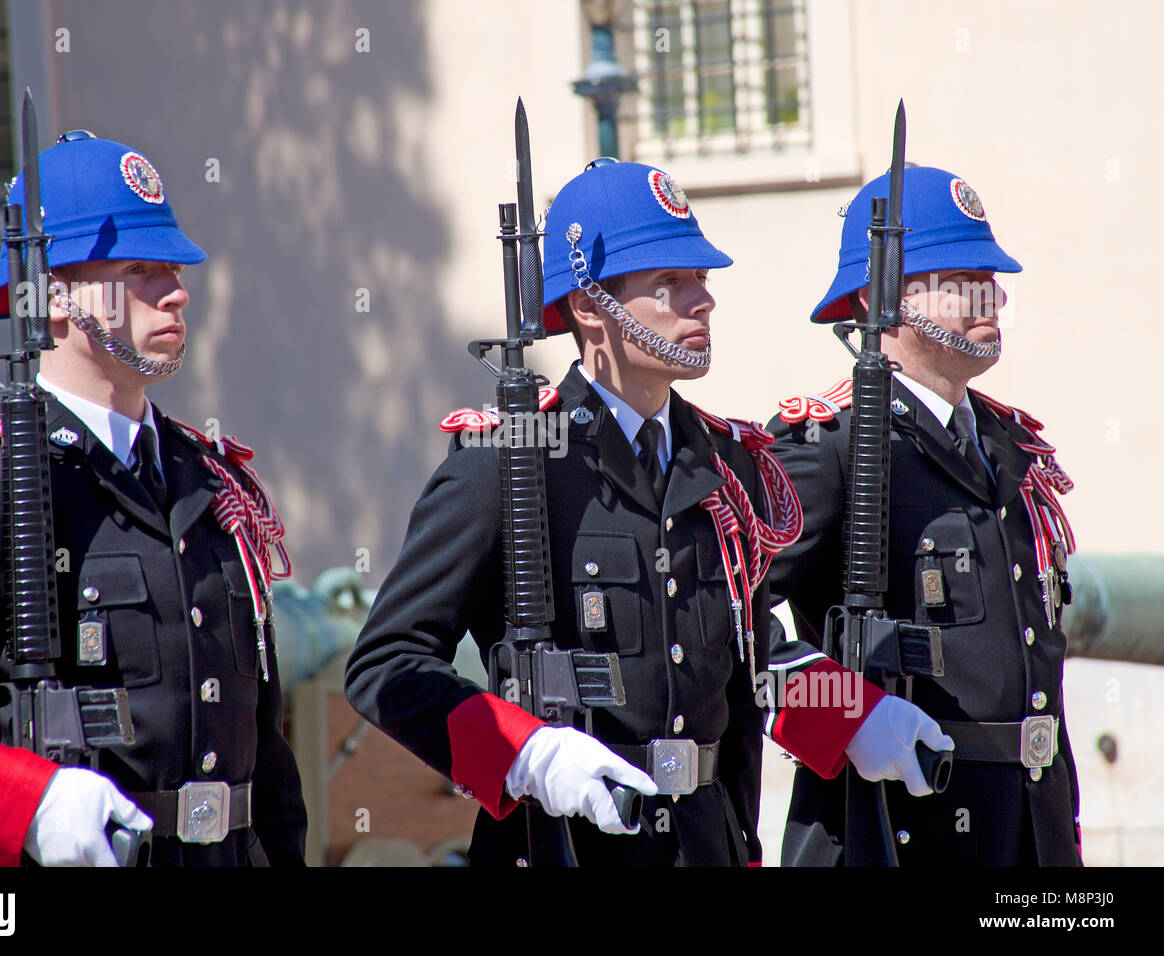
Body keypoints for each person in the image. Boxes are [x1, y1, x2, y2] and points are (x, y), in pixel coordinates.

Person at [345, 160, 934, 866]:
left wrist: (849, 714)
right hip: (570, 844)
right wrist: (526, 752)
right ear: (592, 306)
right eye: (670, 283)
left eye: (703, 281)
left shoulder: (724, 461)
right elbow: (387, 663)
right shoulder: (510, 459)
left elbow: (746, 661)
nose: (702, 301)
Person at [0, 132, 306, 866]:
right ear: (56, 296)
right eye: (140, 269)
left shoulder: (207, 481)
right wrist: (23, 803)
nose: (177, 290)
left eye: (172, 268)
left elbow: (265, 743)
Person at [766, 166, 1081, 865]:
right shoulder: (829, 447)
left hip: (1031, 824)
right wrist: (843, 717)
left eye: (989, 276)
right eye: (960, 277)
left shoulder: (1008, 445)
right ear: (886, 298)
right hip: (902, 824)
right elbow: (722, 622)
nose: (990, 295)